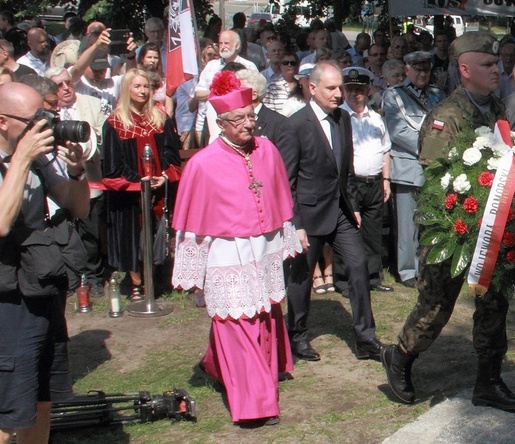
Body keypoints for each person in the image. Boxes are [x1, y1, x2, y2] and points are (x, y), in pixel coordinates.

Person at [382, 32, 515, 413]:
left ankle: (489, 381)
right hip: (450, 230)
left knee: (495, 303)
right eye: (487, 64)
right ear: (465, 70)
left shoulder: (497, 108)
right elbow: (435, 177)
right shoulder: (446, 116)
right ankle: (399, 357)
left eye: (496, 63)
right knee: (435, 308)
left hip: (491, 229)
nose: (496, 69)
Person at [0, 82, 89, 443]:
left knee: (41, 402)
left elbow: (79, 207)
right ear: (3, 122)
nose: (42, 128)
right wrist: (22, 160)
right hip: (3, 299)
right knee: (6, 414)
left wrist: (76, 172)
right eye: (34, 121)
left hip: (41, 286)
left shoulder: (39, 159)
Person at [172, 71, 298, 426]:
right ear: (221, 123)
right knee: (236, 322)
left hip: (263, 248)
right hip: (226, 254)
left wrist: (285, 235)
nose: (247, 125)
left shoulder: (267, 149)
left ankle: (221, 365)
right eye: (238, 119)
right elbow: (194, 224)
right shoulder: (202, 165)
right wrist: (196, 273)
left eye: (251, 116)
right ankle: (255, 405)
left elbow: (277, 198)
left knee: (263, 314)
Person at [278, 61, 384, 362]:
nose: (339, 94)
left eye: (340, 87)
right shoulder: (294, 126)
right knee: (300, 278)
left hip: (340, 212)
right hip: (308, 216)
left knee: (359, 265)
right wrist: (295, 223)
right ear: (312, 89)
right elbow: (288, 181)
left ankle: (366, 339)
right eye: (332, 88)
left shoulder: (343, 120)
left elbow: (345, 169)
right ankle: (296, 337)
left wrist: (352, 206)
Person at [102, 69, 181, 301]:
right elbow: (113, 167)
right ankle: (136, 281)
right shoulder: (115, 123)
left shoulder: (160, 118)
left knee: (155, 233)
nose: (143, 91)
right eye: (137, 86)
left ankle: (152, 278)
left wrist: (164, 176)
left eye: (146, 87)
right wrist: (139, 182)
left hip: (158, 188)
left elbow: (171, 155)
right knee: (133, 236)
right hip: (129, 194)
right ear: (127, 89)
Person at [382, 51, 444, 288]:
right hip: (409, 167)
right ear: (406, 70)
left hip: (434, 169)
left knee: (432, 221)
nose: (422, 73)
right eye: (417, 69)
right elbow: (398, 132)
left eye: (426, 69)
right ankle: (408, 270)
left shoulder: (438, 95)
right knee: (408, 225)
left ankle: (430, 266)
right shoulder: (394, 95)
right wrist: (431, 150)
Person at [46, 66, 107, 294]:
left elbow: (102, 136)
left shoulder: (91, 103)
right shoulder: (48, 111)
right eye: (58, 85)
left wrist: (85, 152)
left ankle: (94, 277)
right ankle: (71, 275)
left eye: (68, 83)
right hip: (56, 177)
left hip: (89, 176)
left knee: (91, 230)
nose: (65, 88)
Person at [337, 67, 393, 294]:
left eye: (359, 90)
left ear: (367, 90)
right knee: (347, 231)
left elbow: (385, 149)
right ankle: (343, 280)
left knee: (372, 231)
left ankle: (372, 277)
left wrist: (386, 180)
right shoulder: (338, 117)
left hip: (374, 182)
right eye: (350, 89)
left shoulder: (377, 118)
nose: (354, 94)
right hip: (350, 183)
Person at [263, 51, 298, 116]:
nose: (289, 65)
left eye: (293, 63)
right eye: (285, 63)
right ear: (280, 66)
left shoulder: (302, 85)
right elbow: (268, 111)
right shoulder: (272, 86)